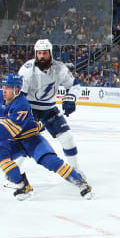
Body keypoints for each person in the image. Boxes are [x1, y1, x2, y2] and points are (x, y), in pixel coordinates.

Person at [0, 74, 92, 200]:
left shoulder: (21, 104)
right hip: (13, 142)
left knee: (51, 161)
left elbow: (8, 131)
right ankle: (23, 186)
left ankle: (80, 183)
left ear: (17, 90)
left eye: (8, 88)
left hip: (31, 140)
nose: (4, 91)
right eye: (3, 87)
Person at [17, 39, 86, 175]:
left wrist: (70, 98)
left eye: (45, 53)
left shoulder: (60, 68)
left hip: (49, 109)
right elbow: (20, 96)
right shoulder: (27, 70)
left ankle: (75, 169)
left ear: (50, 53)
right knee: (24, 141)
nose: (42, 57)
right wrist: (24, 116)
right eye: (39, 53)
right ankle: (14, 170)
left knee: (68, 138)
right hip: (30, 109)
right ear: (36, 54)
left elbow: (74, 85)